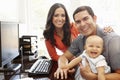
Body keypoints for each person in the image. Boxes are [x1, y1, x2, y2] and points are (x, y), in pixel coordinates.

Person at [54, 6, 120, 80]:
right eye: (78, 22)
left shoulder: (113, 41)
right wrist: (62, 68)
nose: (82, 24)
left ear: (94, 18)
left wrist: (93, 76)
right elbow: (64, 57)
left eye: (85, 19)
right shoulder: (80, 38)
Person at [43, 3, 113, 62]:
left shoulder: (73, 26)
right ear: (51, 17)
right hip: (69, 60)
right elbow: (54, 56)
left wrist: (104, 29)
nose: (60, 19)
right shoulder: (48, 35)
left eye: (63, 15)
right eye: (56, 15)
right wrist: (67, 61)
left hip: (85, 56)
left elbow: (89, 28)